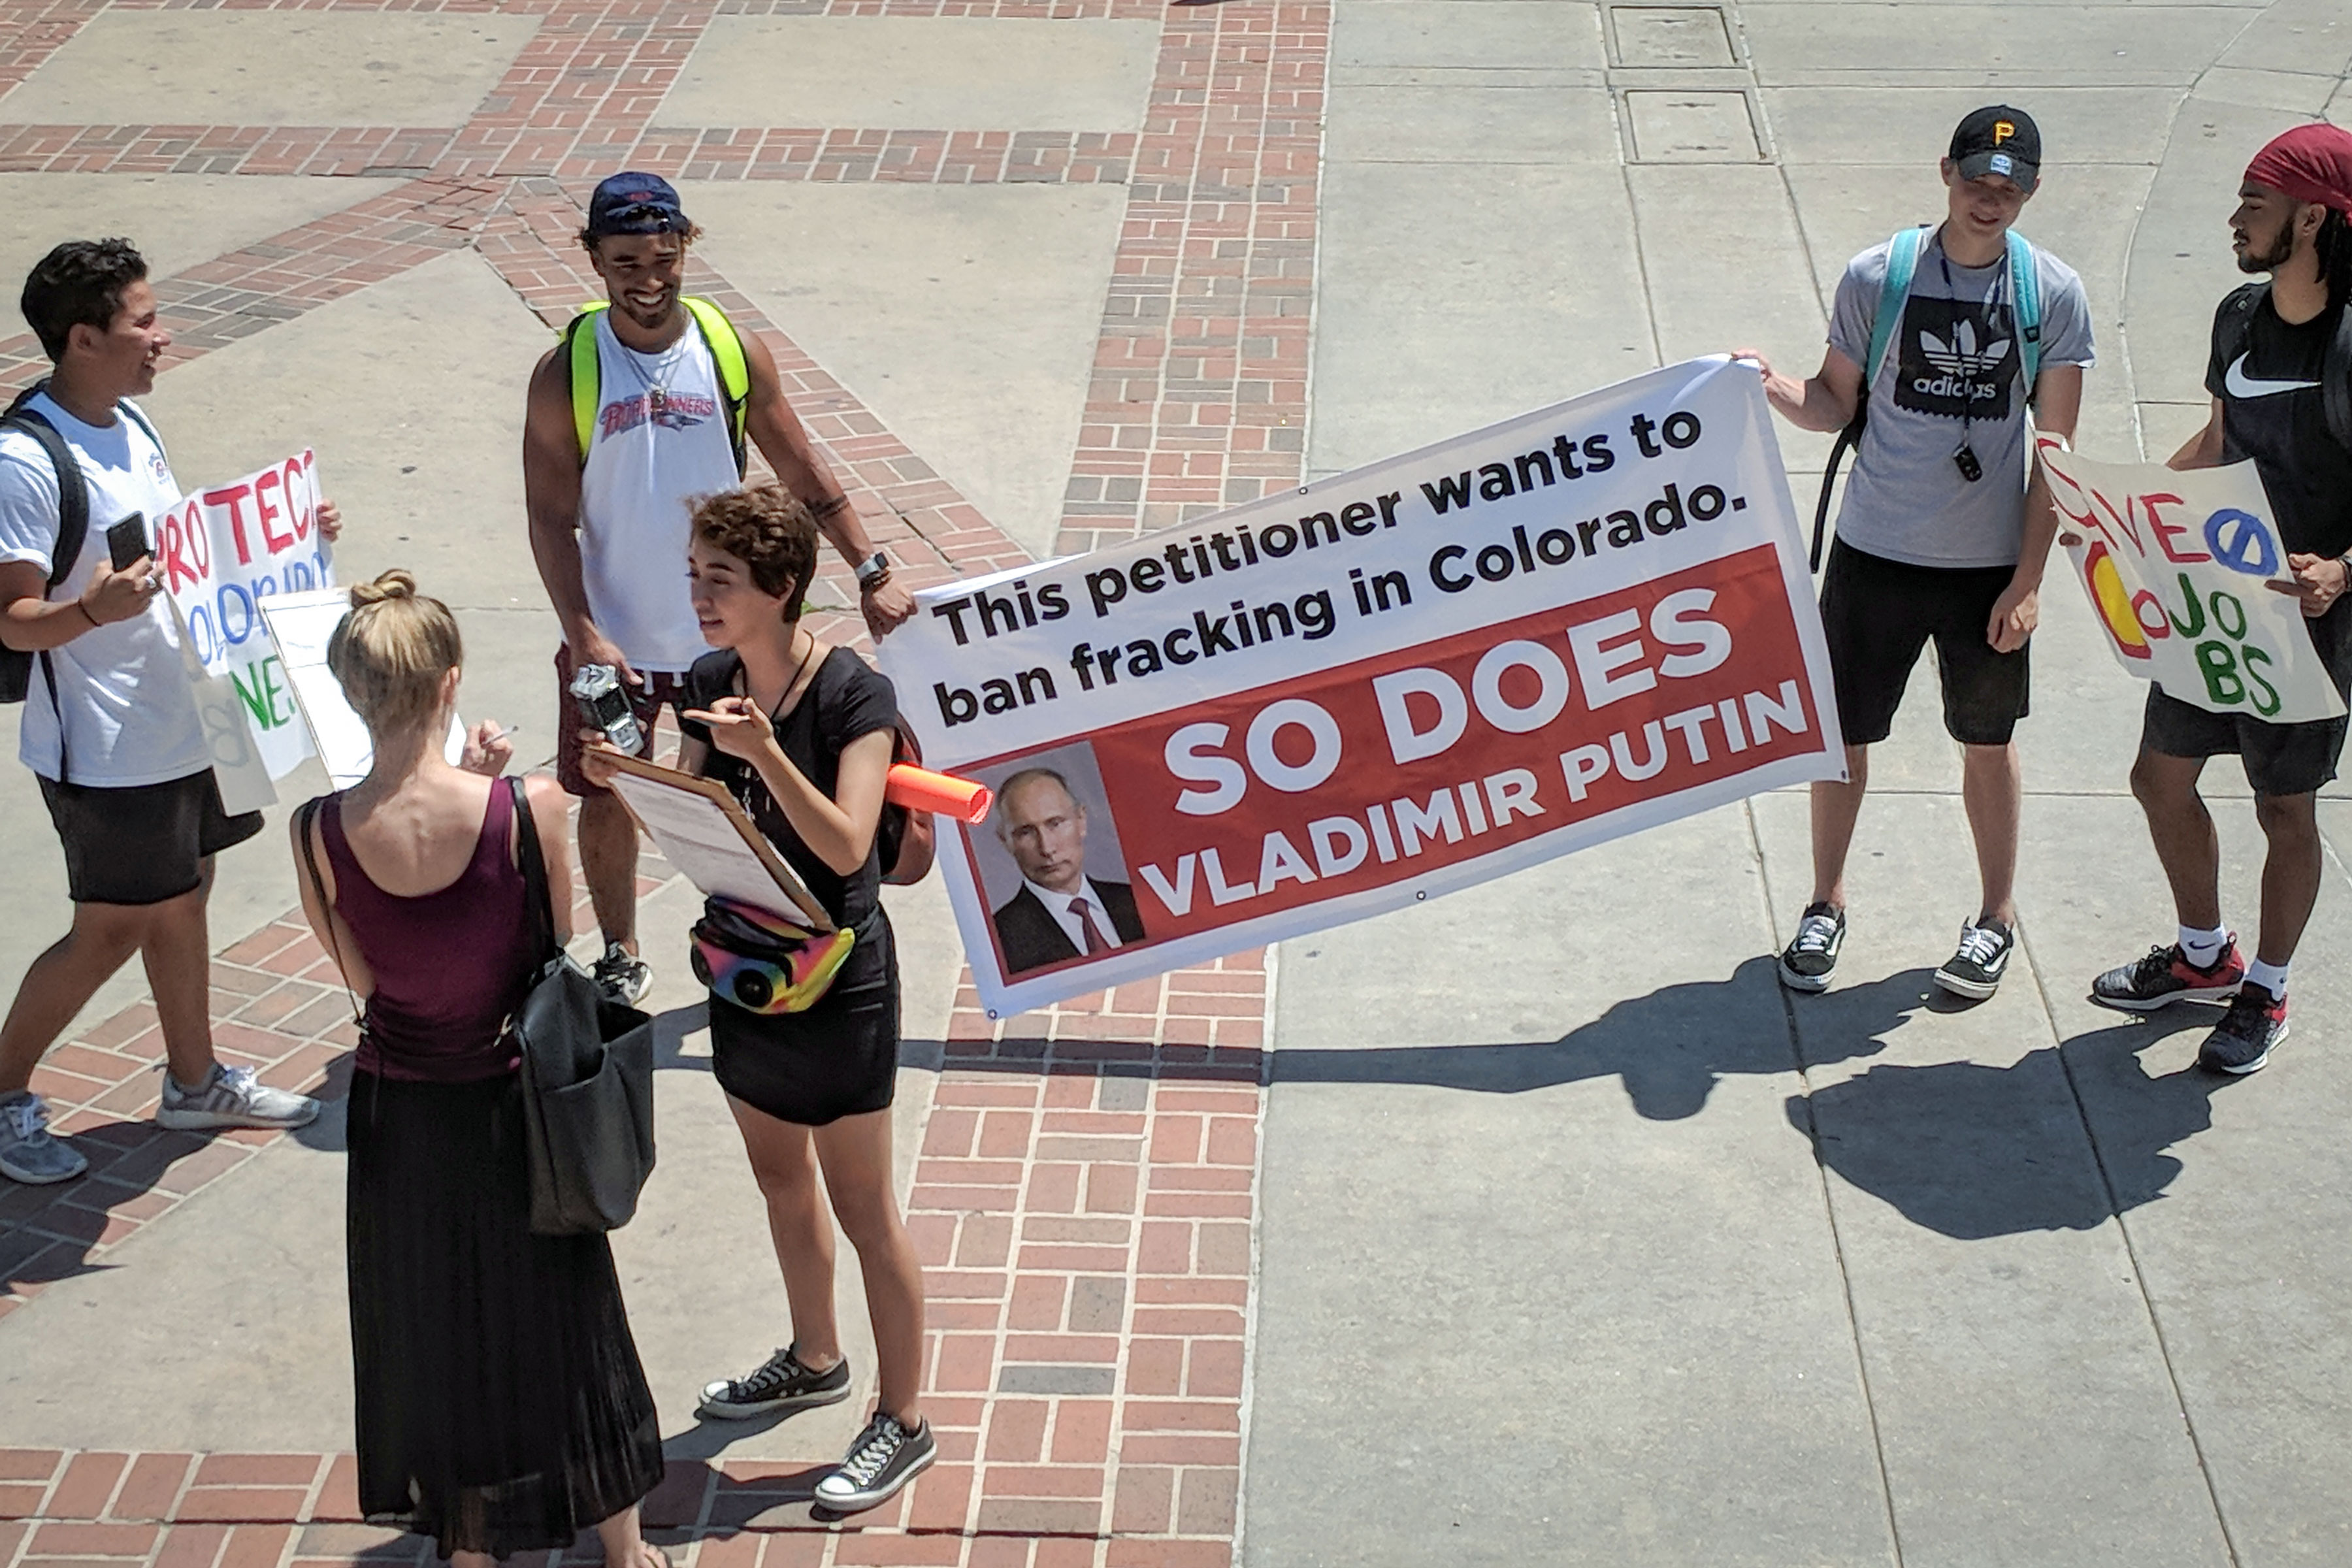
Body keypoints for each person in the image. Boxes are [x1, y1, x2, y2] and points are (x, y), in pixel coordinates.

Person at [291, 571, 667, 1566]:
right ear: (450, 683)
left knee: (437, 1325)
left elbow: (366, 978)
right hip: (519, 1105)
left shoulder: (319, 832)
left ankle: (468, 1542)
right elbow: (552, 949)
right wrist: (487, 781)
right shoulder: (530, 807)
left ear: (349, 691)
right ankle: (624, 1545)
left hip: (406, 1117)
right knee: (570, 1311)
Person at [579, 485, 932, 1513]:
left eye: (719, 581)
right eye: (694, 576)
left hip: (841, 982)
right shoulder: (706, 679)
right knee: (782, 1181)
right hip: (746, 971)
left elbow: (847, 847)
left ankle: (903, 1420)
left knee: (867, 1209)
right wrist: (631, 778)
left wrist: (764, 754)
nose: (699, 597)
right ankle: (816, 1355)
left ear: (780, 590)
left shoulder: (853, 697)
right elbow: (694, 833)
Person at [526, 172, 917, 1010]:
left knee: (753, 799)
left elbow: (803, 471)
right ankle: (622, 951)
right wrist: (585, 632)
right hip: (616, 646)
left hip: (728, 644)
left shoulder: (730, 350)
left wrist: (870, 566)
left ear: (685, 249)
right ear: (594, 258)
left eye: (664, 259)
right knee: (604, 793)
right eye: (625, 259)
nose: (648, 278)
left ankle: (762, 939)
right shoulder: (567, 373)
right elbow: (549, 519)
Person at [1735, 106, 2093, 1000]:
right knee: (1843, 740)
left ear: (2033, 190)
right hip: (1875, 553)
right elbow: (1831, 401)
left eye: (2010, 184)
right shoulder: (1879, 275)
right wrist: (1767, 383)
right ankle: (1825, 904)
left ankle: (1995, 918)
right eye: (1977, 176)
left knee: (1987, 741)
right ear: (1946, 170)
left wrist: (2029, 580)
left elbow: (2058, 453)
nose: (1990, 195)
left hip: (1985, 570)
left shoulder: (2051, 293)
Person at [0, 238, 327, 1186]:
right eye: (142, 321)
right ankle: (6, 1092)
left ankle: (193, 1082)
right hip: (105, 745)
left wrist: (290, 534)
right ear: (81, 337)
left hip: (184, 716)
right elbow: (15, 621)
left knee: (185, 901)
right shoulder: (26, 460)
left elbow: (181, 554)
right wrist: (90, 611)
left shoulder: (130, 426)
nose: (162, 337)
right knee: (110, 925)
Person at [2088, 124, 2352, 1073]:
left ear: (2313, 216)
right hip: (2219, 601)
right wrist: (2126, 509)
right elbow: (2217, 437)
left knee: (2284, 811)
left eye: (2255, 199)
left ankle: (2267, 989)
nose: (2236, 217)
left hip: (2311, 622)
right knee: (2160, 778)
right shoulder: (2240, 316)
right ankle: (2204, 957)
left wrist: (2343, 569)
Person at [990, 767, 1145, 974]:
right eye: (1026, 832)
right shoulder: (999, 939)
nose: (1046, 848)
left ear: (1081, 821)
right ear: (1005, 841)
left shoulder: (1137, 900)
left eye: (1055, 823)